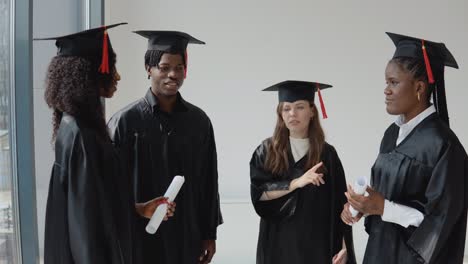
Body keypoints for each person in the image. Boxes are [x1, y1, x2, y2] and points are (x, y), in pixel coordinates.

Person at [39, 23, 175, 264]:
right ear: (91, 72)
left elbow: (98, 207)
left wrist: (139, 209)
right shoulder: (81, 135)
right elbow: (85, 231)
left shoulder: (77, 127)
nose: (117, 75)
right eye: (111, 66)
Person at [341, 32, 468, 264]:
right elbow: (384, 195)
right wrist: (362, 206)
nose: (386, 90)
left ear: (419, 87)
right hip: (379, 253)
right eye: (386, 82)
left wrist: (384, 208)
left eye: (393, 82)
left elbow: (441, 220)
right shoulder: (392, 134)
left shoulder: (444, 145)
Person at [108, 30, 223, 264]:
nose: (173, 74)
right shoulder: (125, 121)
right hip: (140, 234)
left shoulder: (199, 121)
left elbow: (209, 181)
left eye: (179, 67)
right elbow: (112, 187)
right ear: (148, 68)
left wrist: (209, 234)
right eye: (164, 67)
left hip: (186, 234)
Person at [250, 80, 356, 264]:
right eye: (286, 108)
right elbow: (259, 193)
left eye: (299, 107)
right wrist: (296, 183)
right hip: (278, 244)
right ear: (280, 114)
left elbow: (340, 206)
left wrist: (344, 248)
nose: (292, 113)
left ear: (312, 111)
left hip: (317, 245)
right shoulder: (266, 151)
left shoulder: (327, 154)